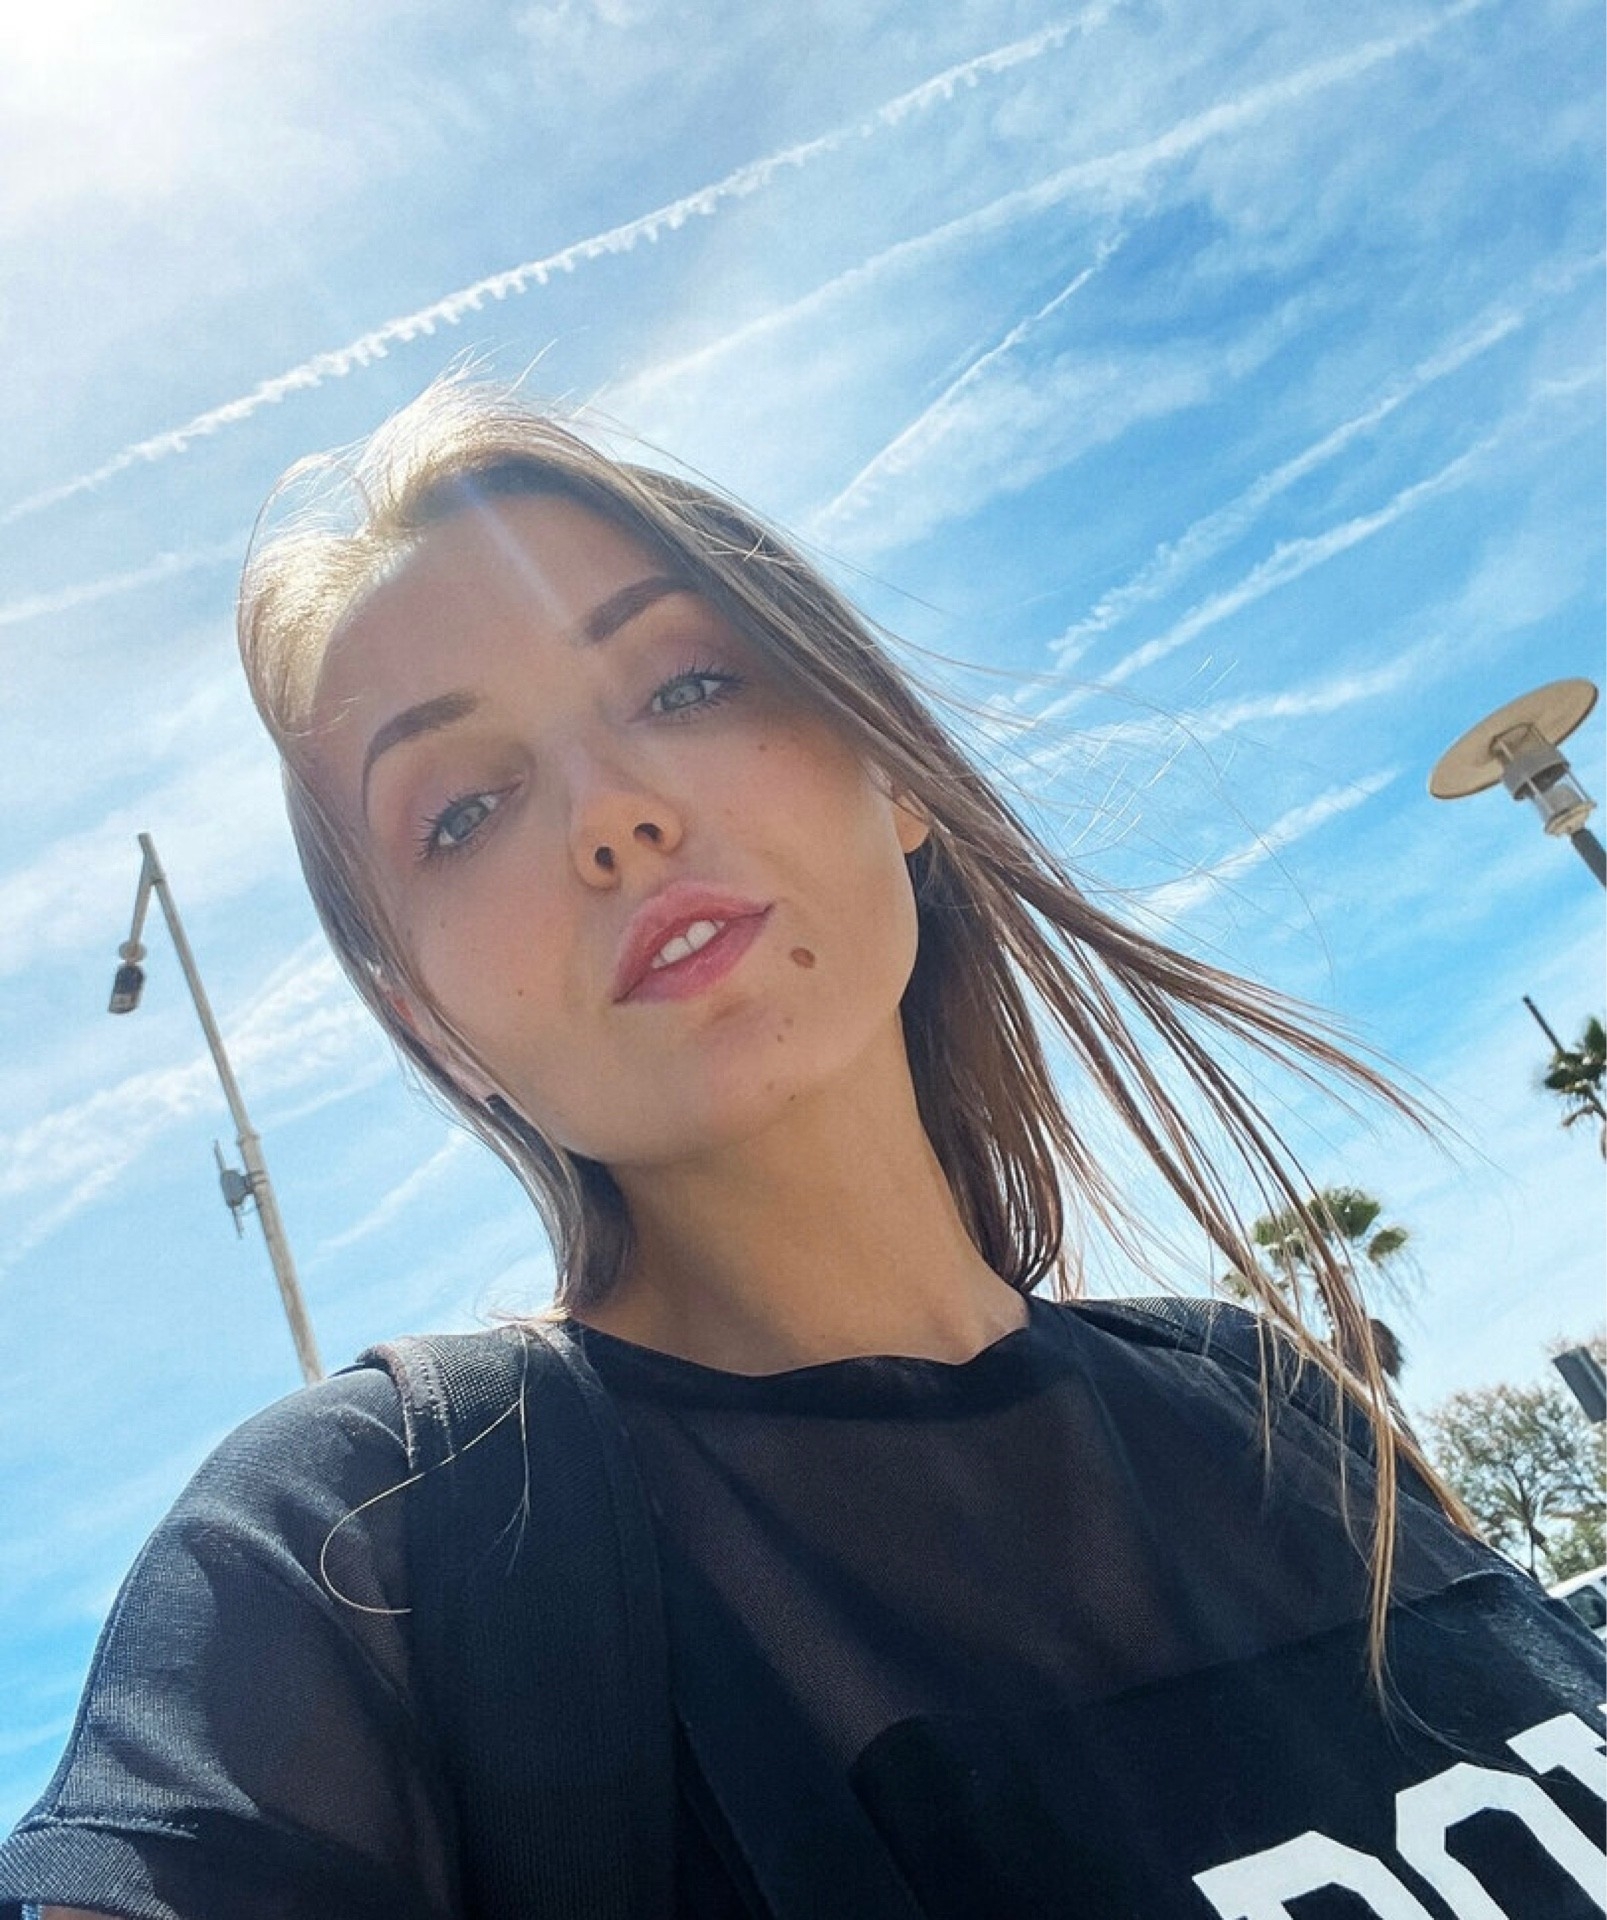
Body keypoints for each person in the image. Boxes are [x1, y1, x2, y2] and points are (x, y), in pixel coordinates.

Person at [4, 380, 1601, 1920]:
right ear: (430, 1022)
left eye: (686, 686)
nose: (611, 812)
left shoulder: (1273, 1403)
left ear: (888, 768)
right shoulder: (350, 1552)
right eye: (463, 810)